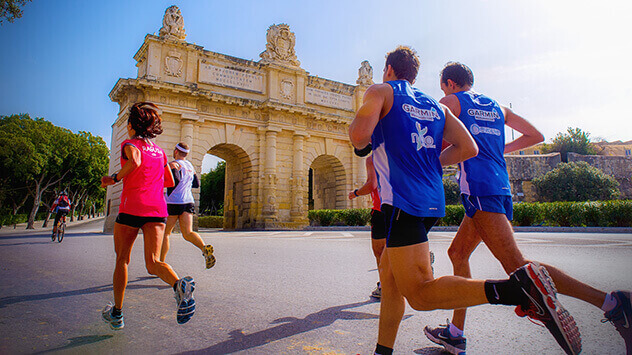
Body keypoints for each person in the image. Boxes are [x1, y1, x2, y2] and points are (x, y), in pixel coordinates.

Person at [349, 46, 582, 355]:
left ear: (389, 69)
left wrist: (367, 136)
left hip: (402, 200)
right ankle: (383, 351)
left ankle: (514, 290)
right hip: (431, 199)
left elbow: (358, 136)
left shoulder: (380, 90)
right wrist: (432, 162)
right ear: (415, 74)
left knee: (419, 294)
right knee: (390, 279)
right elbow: (469, 147)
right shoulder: (436, 105)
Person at [423, 62, 632, 355]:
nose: (442, 90)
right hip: (499, 187)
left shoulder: (450, 101)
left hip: (480, 189)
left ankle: (612, 302)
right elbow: (536, 136)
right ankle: (456, 333)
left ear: (448, 83)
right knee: (457, 253)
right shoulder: (497, 107)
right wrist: (499, 150)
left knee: (520, 268)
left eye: (442, 86)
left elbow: (428, 139)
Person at [100, 102, 196, 330]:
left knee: (122, 259)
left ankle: (117, 313)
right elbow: (170, 181)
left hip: (132, 207)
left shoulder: (129, 144)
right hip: (157, 209)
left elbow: (135, 161)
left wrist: (113, 178)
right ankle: (179, 285)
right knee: (153, 263)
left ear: (132, 125)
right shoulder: (161, 152)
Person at [348, 155, 434, 299]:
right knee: (397, 245)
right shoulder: (401, 151)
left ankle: (385, 285)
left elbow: (372, 185)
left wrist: (355, 193)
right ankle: (421, 259)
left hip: (381, 208)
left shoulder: (373, 159)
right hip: (404, 205)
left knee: (380, 251)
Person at [160, 142, 216, 269]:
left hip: (173, 202)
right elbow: (196, 184)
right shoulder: (190, 166)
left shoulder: (173, 164)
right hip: (188, 201)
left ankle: (161, 263)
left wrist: (167, 189)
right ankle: (203, 247)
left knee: (166, 234)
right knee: (188, 232)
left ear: (175, 152)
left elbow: (175, 179)